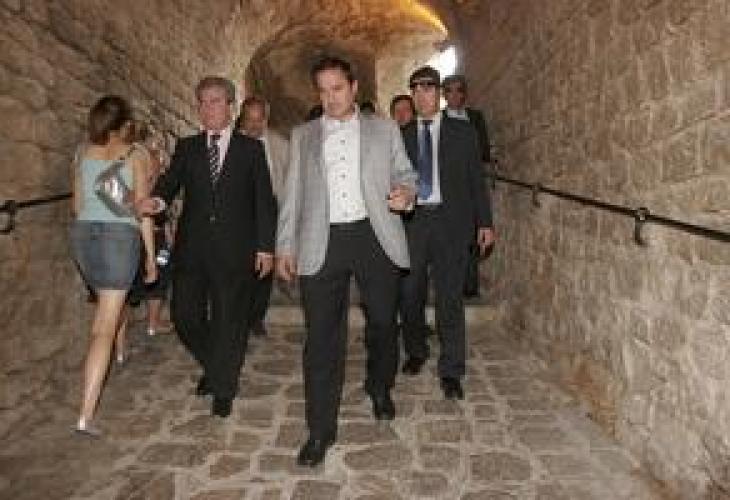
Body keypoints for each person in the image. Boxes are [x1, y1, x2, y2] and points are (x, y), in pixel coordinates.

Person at [276, 56, 416, 467]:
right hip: (322, 240)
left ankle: (379, 385)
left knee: (383, 323)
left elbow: (406, 174)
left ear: (354, 88)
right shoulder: (303, 136)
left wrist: (406, 194)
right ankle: (320, 429)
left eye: (337, 88)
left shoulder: (384, 129)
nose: (330, 98)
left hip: (374, 235)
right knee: (321, 338)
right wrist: (285, 245)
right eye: (323, 91)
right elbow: (291, 195)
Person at [138, 76, 277, 418]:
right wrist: (156, 201)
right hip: (192, 249)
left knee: (230, 320)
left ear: (230, 106)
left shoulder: (251, 150)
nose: (207, 108)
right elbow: (169, 183)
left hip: (236, 249)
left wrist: (265, 247)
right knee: (184, 316)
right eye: (202, 102)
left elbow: (264, 201)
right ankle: (217, 366)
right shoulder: (188, 147)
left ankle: (224, 387)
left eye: (214, 101)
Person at [399, 66, 495, 400]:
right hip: (413, 223)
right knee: (410, 292)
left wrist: (485, 223)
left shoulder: (463, 132)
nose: (421, 95)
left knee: (449, 298)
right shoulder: (402, 135)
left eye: (427, 88)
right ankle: (416, 349)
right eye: (415, 89)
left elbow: (475, 180)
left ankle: (452, 369)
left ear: (439, 93)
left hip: (451, 223)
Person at [70, 95, 157, 435]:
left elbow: (77, 205)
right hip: (118, 238)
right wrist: (150, 257)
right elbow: (143, 212)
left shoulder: (82, 152)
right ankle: (85, 415)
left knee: (107, 312)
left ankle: (119, 352)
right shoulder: (136, 154)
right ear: (126, 124)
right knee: (102, 328)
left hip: (82, 236)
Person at [237, 96, 289, 337]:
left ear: (267, 119)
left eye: (259, 120)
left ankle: (256, 316)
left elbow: (288, 181)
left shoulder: (281, 145)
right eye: (250, 119)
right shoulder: (230, 143)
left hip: (270, 211)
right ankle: (237, 314)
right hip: (238, 213)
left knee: (265, 268)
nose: (254, 125)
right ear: (242, 118)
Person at [443, 74, 493, 297]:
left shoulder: (475, 117)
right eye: (450, 90)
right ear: (444, 94)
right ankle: (450, 283)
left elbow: (483, 150)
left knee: (472, 234)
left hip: (471, 184)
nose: (454, 94)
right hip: (448, 189)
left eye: (459, 90)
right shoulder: (438, 119)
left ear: (464, 94)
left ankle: (470, 286)